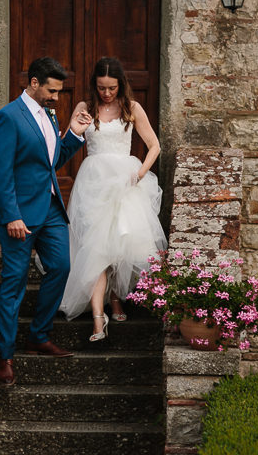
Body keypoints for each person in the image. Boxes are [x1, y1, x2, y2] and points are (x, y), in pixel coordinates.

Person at [0, 56, 93, 385]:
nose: (56, 98)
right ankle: (5, 356)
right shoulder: (8, 117)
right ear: (33, 83)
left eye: (59, 92)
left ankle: (39, 335)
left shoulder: (49, 116)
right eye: (51, 91)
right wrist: (11, 215)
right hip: (20, 216)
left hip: (50, 209)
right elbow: (2, 172)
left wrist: (74, 135)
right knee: (14, 284)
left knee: (62, 267)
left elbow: (51, 162)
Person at [59, 57, 167, 341]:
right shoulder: (85, 107)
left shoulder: (132, 108)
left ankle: (116, 298)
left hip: (125, 180)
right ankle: (98, 319)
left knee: (120, 242)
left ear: (121, 85)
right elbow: (66, 142)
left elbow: (154, 145)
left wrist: (141, 172)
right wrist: (74, 129)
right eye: (101, 87)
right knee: (96, 248)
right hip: (93, 182)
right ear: (94, 85)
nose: (106, 93)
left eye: (112, 88)